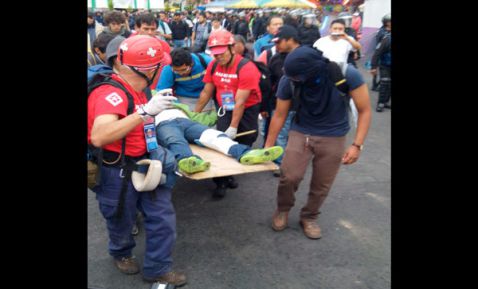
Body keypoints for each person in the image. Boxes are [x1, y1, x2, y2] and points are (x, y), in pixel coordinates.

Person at [87, 35, 186, 285]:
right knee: (120, 218)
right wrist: (145, 112)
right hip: (116, 171)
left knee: (162, 217)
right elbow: (100, 136)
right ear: (148, 69)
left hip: (146, 163)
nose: (163, 69)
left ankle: (157, 267)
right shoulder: (112, 93)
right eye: (160, 66)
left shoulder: (141, 89)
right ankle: (121, 253)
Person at [266, 46, 371, 240]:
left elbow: (364, 110)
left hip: (334, 134)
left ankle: (309, 216)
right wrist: (268, 147)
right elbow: (280, 114)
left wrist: (357, 145)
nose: (292, 79)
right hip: (301, 130)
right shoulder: (288, 79)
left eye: (297, 77)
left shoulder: (346, 74)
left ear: (311, 71)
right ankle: (283, 209)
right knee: (289, 176)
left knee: (322, 183)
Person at [194, 30, 263, 199]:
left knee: (247, 138)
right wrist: (194, 115)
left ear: (232, 48)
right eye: (215, 54)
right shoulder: (213, 65)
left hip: (247, 109)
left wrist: (233, 126)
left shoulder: (246, 67)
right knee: (222, 143)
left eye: (222, 53)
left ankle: (231, 171)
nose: (218, 57)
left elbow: (240, 102)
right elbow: (206, 91)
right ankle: (221, 181)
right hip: (225, 106)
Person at [261, 25, 302, 176]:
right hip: (276, 105)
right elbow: (268, 84)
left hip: (298, 106)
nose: (276, 45)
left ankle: (282, 163)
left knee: (288, 135)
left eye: (279, 42)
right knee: (276, 134)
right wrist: (264, 105)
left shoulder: (305, 58)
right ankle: (278, 160)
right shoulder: (275, 58)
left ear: (290, 40)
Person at [370, 14, 391, 112]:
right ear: (387, 23)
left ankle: (385, 102)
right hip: (385, 64)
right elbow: (378, 51)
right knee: (384, 83)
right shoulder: (384, 35)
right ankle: (380, 103)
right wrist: (373, 66)